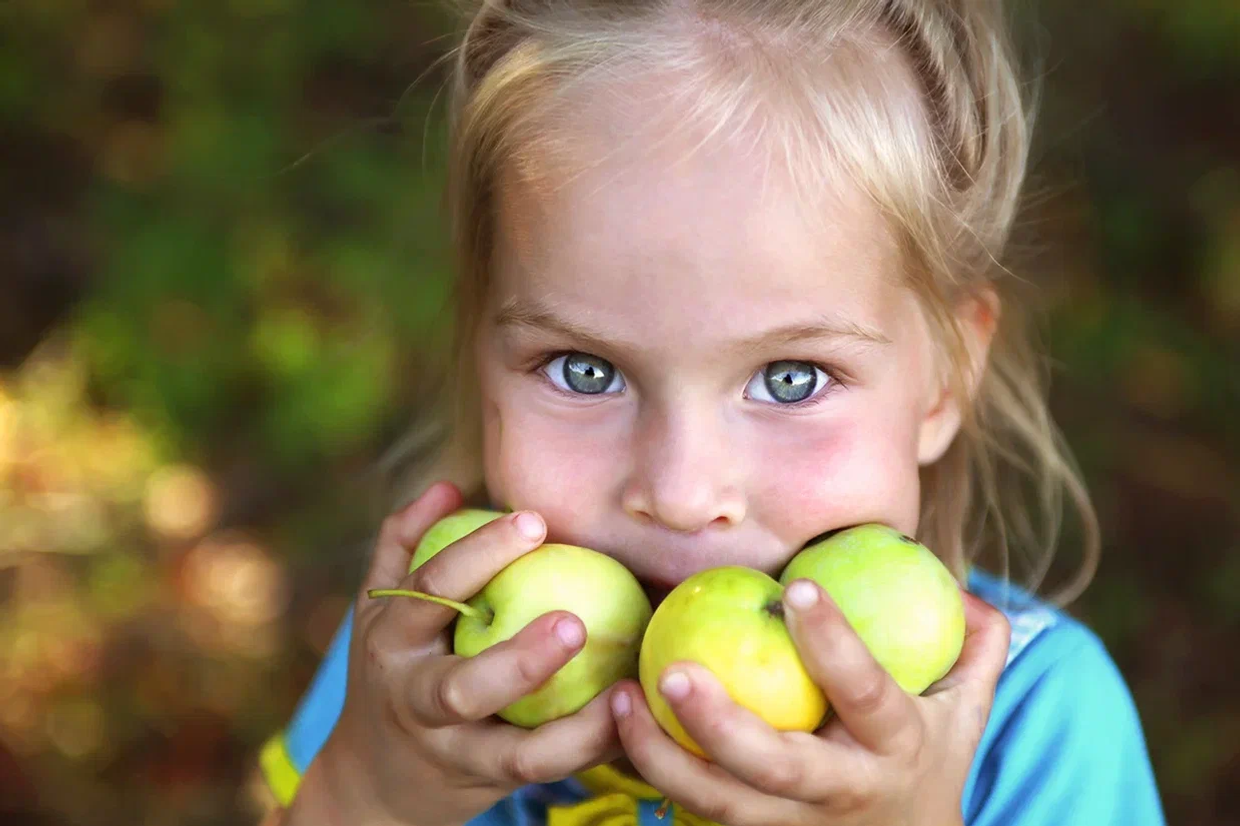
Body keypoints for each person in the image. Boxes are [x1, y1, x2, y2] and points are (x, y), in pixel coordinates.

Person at [255, 1, 1167, 824]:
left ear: (943, 381)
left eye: (791, 379)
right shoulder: (425, 670)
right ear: (481, 358)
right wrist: (371, 794)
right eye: (584, 370)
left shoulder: (1038, 725)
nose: (682, 494)